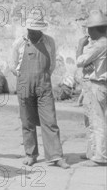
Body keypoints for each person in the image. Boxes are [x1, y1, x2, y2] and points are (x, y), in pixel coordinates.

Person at [10, 14, 69, 169]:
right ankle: (31, 154)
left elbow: (51, 65)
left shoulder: (49, 42)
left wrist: (42, 77)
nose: (34, 33)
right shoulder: (19, 43)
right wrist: (24, 78)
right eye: (31, 30)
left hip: (43, 85)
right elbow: (12, 65)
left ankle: (55, 156)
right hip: (24, 85)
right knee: (27, 121)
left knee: (50, 120)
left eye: (37, 30)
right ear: (28, 28)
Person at [75, 10, 107, 166]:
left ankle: (100, 156)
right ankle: (92, 152)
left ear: (94, 29)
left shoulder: (100, 45)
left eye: (89, 29)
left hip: (97, 85)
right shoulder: (102, 43)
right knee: (92, 120)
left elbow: (80, 61)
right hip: (98, 85)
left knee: (97, 121)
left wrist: (80, 46)